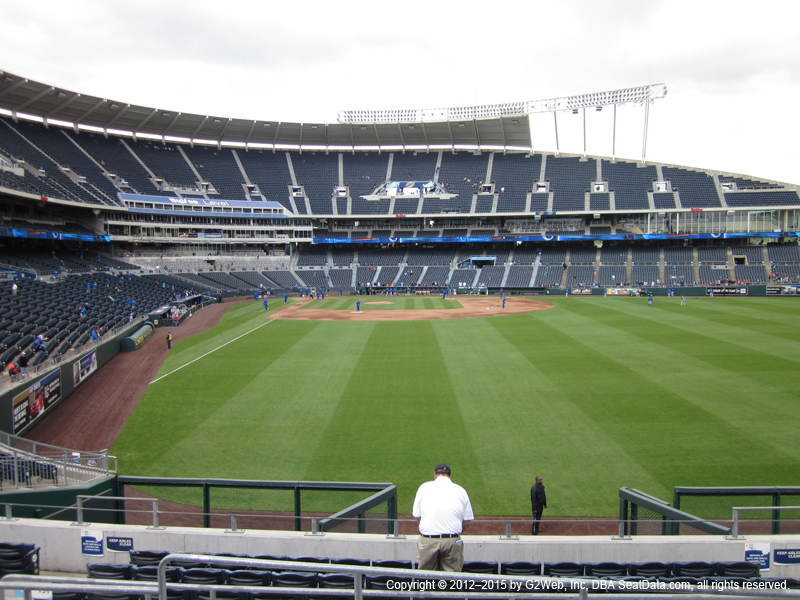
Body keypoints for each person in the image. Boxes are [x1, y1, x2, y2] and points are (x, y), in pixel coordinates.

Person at [412, 463, 474, 571]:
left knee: (426, 580)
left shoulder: (424, 487)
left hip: (428, 540)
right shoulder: (460, 490)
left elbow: (417, 516)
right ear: (449, 476)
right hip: (452, 540)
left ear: (435, 475)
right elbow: (467, 520)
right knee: (451, 581)